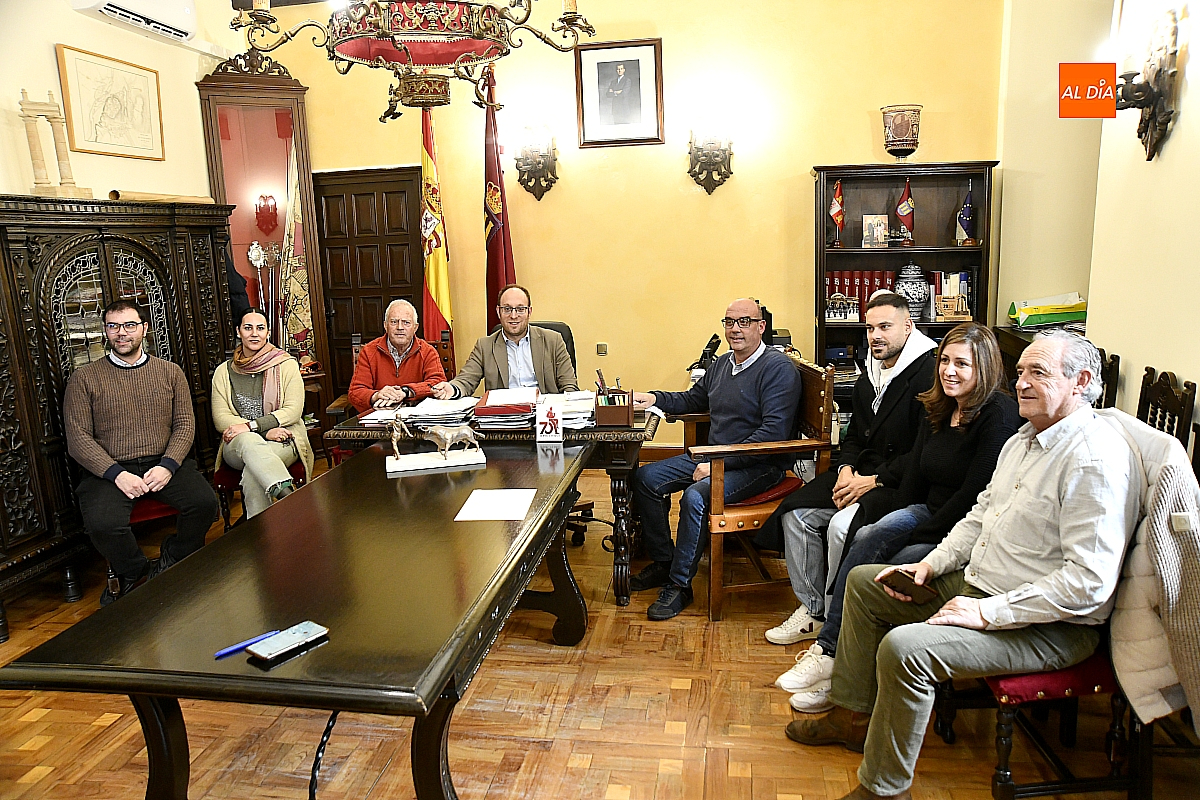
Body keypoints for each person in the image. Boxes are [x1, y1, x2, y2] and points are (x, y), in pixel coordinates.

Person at [785, 331, 1140, 800]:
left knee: (904, 649)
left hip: (1049, 624)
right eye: (1021, 374)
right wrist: (933, 563)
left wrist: (985, 613)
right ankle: (853, 715)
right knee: (865, 583)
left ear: (1081, 381)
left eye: (1039, 373)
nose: (1023, 385)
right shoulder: (1025, 439)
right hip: (982, 583)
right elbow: (979, 515)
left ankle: (885, 789)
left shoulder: (1093, 461)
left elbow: (1088, 585)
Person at [777, 323, 1021, 711]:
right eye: (945, 361)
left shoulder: (999, 415)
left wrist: (916, 532)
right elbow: (915, 478)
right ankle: (829, 651)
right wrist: (896, 516)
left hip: (964, 527)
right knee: (868, 536)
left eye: (963, 363)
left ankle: (845, 668)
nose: (949, 371)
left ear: (986, 368)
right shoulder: (940, 406)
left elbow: (973, 496)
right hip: (927, 510)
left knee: (888, 566)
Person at [761, 293, 936, 647]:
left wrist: (872, 481)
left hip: (900, 482)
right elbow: (855, 433)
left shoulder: (928, 374)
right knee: (796, 516)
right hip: (860, 472)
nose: (875, 336)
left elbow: (924, 452)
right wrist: (846, 468)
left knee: (842, 527)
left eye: (885, 327)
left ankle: (836, 618)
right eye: (870, 328)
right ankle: (811, 609)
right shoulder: (870, 371)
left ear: (909, 326)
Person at [627, 298, 803, 621]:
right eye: (729, 322)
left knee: (695, 497)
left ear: (761, 327)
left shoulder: (778, 370)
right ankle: (665, 563)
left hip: (760, 466)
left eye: (744, 322)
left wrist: (715, 464)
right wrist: (654, 398)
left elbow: (772, 435)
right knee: (646, 479)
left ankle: (680, 586)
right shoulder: (722, 364)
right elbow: (692, 399)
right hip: (716, 457)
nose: (735, 329)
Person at [63, 300, 220, 606]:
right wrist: (116, 474)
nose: (122, 333)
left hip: (162, 462)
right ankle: (137, 573)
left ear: (144, 329)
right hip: (110, 470)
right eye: (113, 326)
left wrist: (168, 465)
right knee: (103, 524)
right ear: (105, 331)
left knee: (204, 503)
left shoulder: (170, 372)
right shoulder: (84, 378)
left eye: (129, 325)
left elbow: (185, 425)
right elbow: (78, 439)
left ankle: (172, 559)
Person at [211, 307, 315, 519]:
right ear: (238, 331)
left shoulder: (286, 365)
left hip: (284, 438)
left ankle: (261, 539)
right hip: (238, 445)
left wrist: (251, 426)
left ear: (268, 333)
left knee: (254, 474)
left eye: (260, 328)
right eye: (248, 328)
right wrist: (262, 432)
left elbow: (293, 411)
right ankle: (292, 501)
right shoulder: (223, 372)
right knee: (248, 442)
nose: (254, 333)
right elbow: (221, 418)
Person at [432, 285, 577, 399]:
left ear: (529, 312)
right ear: (498, 312)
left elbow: (570, 386)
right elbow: (466, 380)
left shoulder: (553, 340)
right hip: (505, 419)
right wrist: (452, 388)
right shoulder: (485, 346)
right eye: (507, 309)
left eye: (520, 309)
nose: (513, 316)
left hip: (544, 418)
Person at [348, 299, 447, 413]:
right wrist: (376, 395)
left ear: (415, 327)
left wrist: (406, 391)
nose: (400, 327)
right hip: (379, 420)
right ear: (385, 325)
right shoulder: (368, 351)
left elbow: (438, 384)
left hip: (418, 418)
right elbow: (355, 392)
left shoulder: (428, 352)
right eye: (394, 322)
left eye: (406, 322)